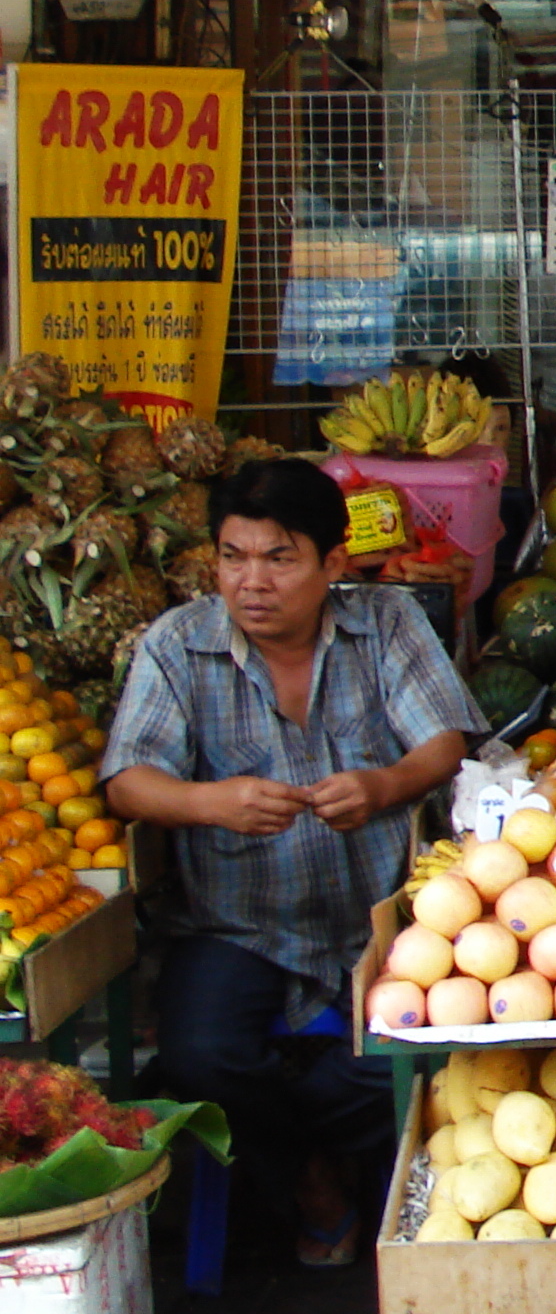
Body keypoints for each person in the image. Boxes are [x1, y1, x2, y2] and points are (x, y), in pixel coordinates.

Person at [102, 459, 482, 1266]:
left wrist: (385, 784)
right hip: (235, 923)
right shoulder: (178, 645)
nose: (252, 582)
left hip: (382, 917)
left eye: (279, 558)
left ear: (332, 565)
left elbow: (444, 743)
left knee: (427, 1058)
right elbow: (128, 781)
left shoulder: (384, 622)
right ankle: (316, 1172)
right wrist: (211, 801)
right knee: (196, 1059)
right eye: (233, 557)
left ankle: (309, 1156)